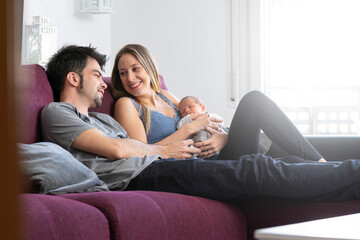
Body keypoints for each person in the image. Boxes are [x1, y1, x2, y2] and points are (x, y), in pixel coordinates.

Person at [42, 44, 360, 202]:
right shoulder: (57, 112)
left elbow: (128, 144)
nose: (108, 82)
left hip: (165, 164)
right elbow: (122, 148)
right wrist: (168, 148)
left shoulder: (100, 118)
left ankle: (341, 175)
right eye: (100, 74)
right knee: (256, 169)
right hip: (145, 174)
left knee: (271, 154)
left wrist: (219, 137)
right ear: (73, 78)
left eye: (133, 69)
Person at [111, 44, 326, 162]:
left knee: (290, 157)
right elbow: (140, 152)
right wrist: (189, 129)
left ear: (149, 68)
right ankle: (322, 165)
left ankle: (321, 163)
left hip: (223, 150)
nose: (130, 78)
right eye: (123, 73)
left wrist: (224, 138)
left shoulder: (167, 96)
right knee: (253, 101)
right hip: (210, 165)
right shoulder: (127, 105)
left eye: (135, 69)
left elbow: (205, 122)